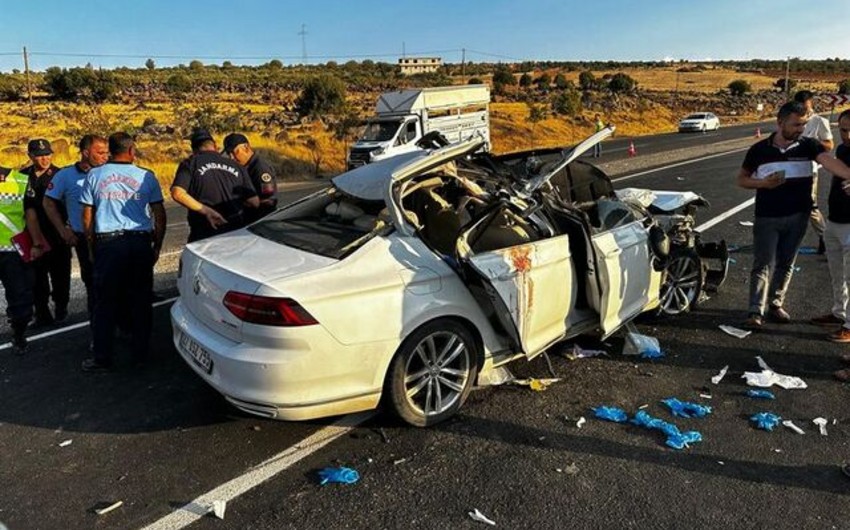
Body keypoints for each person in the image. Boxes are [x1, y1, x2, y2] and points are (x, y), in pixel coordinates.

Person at [737, 101, 850, 328]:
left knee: (787, 263)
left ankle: (776, 304)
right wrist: (763, 184)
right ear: (780, 123)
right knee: (763, 263)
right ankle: (755, 311)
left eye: (804, 124)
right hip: (767, 216)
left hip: (798, 216)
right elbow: (742, 179)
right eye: (796, 124)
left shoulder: (808, 146)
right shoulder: (759, 150)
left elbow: (830, 163)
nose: (801, 129)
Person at [79, 132, 166, 372]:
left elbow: (87, 215)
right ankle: (140, 354)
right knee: (140, 300)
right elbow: (158, 213)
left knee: (105, 303)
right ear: (131, 151)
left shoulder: (94, 175)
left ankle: (102, 357)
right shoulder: (146, 176)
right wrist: (157, 245)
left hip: (109, 244)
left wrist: (91, 245)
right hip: (139, 242)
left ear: (110, 150)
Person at [43, 135, 109, 322]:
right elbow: (48, 202)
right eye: (100, 152)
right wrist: (63, 230)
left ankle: (122, 325)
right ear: (86, 152)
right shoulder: (65, 175)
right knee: (93, 285)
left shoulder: (110, 172)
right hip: (84, 238)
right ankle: (98, 331)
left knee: (115, 283)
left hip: (111, 237)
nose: (105, 156)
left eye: (107, 152)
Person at [171, 129, 258, 242]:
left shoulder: (190, 164)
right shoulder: (237, 166)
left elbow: (177, 193)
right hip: (235, 232)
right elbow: (254, 202)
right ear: (215, 145)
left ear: (194, 150)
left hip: (204, 234)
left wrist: (206, 211)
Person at [812, 111, 850, 360]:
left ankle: (849, 327)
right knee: (837, 274)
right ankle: (839, 313)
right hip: (835, 220)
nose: (847, 135)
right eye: (843, 129)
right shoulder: (844, 151)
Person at [0, 165, 47, 353]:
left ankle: (19, 334)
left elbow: (30, 214)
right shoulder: (20, 180)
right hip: (12, 252)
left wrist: (36, 243)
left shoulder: (20, 180)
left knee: (21, 299)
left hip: (13, 251)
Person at [21, 138, 67, 326]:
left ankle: (61, 306)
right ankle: (41, 313)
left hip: (56, 234)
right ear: (30, 156)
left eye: (47, 154)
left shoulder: (60, 175)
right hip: (33, 235)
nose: (44, 158)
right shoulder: (22, 177)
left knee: (60, 276)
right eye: (39, 156)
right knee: (35, 279)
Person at [794, 90, 834, 254]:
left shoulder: (819, 121)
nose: (804, 111)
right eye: (800, 108)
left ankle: (826, 237)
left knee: (809, 207)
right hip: (788, 168)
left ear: (811, 105)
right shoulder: (792, 119)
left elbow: (830, 145)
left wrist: (812, 142)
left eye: (806, 108)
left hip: (808, 171)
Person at [222, 133, 278, 222]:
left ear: (246, 147)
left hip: (261, 222)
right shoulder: (243, 167)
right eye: (229, 153)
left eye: (234, 152)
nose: (231, 157)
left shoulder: (260, 168)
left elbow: (269, 201)